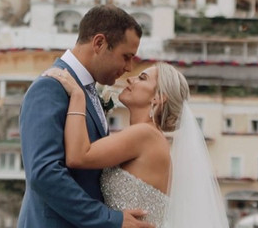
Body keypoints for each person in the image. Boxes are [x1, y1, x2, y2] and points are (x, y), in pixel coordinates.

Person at [44, 60, 229, 228]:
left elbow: (78, 156)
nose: (131, 79)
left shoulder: (146, 135)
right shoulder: (152, 138)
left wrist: (77, 95)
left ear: (158, 98)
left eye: (142, 78)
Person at [18, 5, 152, 228]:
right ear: (99, 43)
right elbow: (44, 173)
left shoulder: (86, 91)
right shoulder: (50, 88)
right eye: (126, 57)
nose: (129, 67)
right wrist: (109, 219)